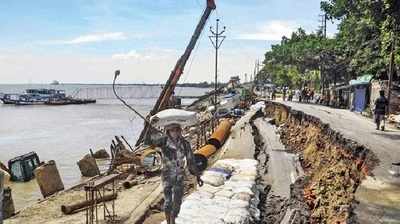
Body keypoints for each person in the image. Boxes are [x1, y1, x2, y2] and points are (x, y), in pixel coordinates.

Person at [146, 123, 203, 224]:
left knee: (177, 202)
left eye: (177, 130)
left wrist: (198, 176)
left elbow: (191, 161)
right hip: (167, 175)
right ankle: (170, 222)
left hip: (179, 176)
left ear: (180, 131)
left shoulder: (185, 144)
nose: (175, 132)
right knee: (168, 201)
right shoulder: (163, 141)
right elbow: (148, 142)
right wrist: (149, 127)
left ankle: (173, 217)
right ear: (168, 131)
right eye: (172, 130)